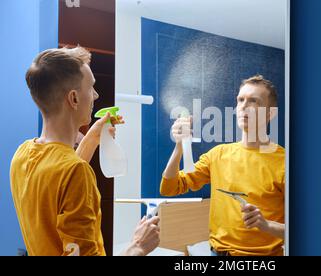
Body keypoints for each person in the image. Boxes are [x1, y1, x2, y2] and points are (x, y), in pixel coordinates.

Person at [10, 47, 160, 256]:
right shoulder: (75, 171)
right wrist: (137, 246)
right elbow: (69, 174)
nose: (96, 95)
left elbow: (60, 185)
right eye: (91, 88)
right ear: (74, 99)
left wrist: (91, 139)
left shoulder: (22, 154)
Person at [160, 75, 285, 256]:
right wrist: (179, 146)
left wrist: (267, 225)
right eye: (240, 100)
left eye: (253, 101)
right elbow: (169, 188)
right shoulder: (217, 155)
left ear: (270, 113)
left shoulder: (284, 162)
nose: (243, 106)